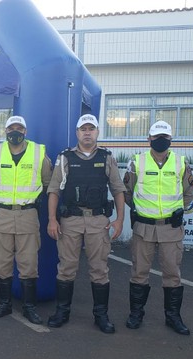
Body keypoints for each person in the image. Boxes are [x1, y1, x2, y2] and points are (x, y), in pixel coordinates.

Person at [46, 114, 125, 333]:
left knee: (99, 269)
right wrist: (52, 220)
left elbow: (118, 190)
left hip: (98, 221)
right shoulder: (65, 158)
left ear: (97, 132)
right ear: (77, 133)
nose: (87, 132)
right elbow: (54, 190)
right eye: (83, 129)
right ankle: (62, 312)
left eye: (91, 128)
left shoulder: (107, 158)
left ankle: (101, 316)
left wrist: (119, 220)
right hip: (70, 221)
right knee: (66, 269)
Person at [123, 120, 193, 335]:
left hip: (171, 228)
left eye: (165, 137)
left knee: (172, 273)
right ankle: (136, 314)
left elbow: (188, 192)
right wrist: (140, 209)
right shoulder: (137, 162)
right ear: (149, 139)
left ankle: (173, 317)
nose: (161, 141)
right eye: (156, 137)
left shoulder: (181, 163)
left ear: (171, 140)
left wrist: (178, 210)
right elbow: (127, 191)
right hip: (144, 227)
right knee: (139, 272)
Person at [0, 115, 52, 324]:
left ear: (25, 131)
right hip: (2, 215)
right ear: (5, 131)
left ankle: (29, 308)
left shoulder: (39, 153)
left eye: (19, 129)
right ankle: (4, 305)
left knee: (29, 263)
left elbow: (47, 182)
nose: (15, 132)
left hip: (27, 215)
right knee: (1, 263)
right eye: (11, 129)